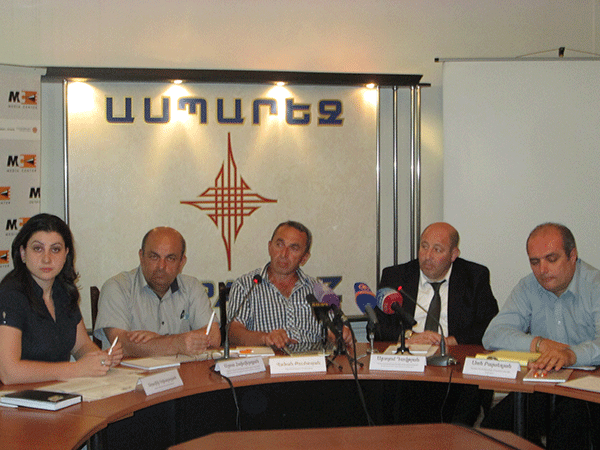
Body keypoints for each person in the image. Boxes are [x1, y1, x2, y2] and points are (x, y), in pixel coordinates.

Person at [482, 223, 600, 449]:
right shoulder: (528, 286)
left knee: (567, 432)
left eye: (551, 259)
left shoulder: (595, 285)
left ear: (572, 256)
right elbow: (493, 334)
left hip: (588, 385)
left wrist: (571, 355)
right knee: (493, 430)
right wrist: (539, 344)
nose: (542, 269)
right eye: (535, 262)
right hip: (545, 382)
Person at [377, 222, 499, 426]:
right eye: (424, 247)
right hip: (408, 366)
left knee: (464, 397)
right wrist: (410, 337)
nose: (427, 256)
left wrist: (451, 340)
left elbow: (490, 323)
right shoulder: (396, 276)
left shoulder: (474, 276)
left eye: (437, 250)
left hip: (453, 365)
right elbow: (379, 325)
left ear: (454, 254)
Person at [0, 213, 123, 385]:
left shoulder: (64, 292)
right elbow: (9, 372)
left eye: (55, 249)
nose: (46, 258)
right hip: (15, 397)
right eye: (38, 248)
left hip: (57, 392)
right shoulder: (10, 295)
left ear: (66, 254)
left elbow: (81, 346)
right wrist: (77, 369)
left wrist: (101, 359)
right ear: (22, 253)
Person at [94, 226, 220, 357]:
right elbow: (121, 345)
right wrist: (177, 343)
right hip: (128, 370)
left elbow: (213, 337)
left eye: (170, 258)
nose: (161, 266)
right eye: (154, 257)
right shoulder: (117, 287)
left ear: (181, 262)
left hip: (182, 369)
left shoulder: (192, 286)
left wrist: (158, 339)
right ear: (141, 256)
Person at [228, 220, 353, 349]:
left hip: (312, 359)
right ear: (270, 247)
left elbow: (335, 329)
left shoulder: (318, 289)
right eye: (279, 245)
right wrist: (265, 338)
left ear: (304, 258)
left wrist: (339, 335)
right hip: (267, 359)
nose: (284, 254)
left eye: (294, 248)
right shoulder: (246, 285)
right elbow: (233, 333)